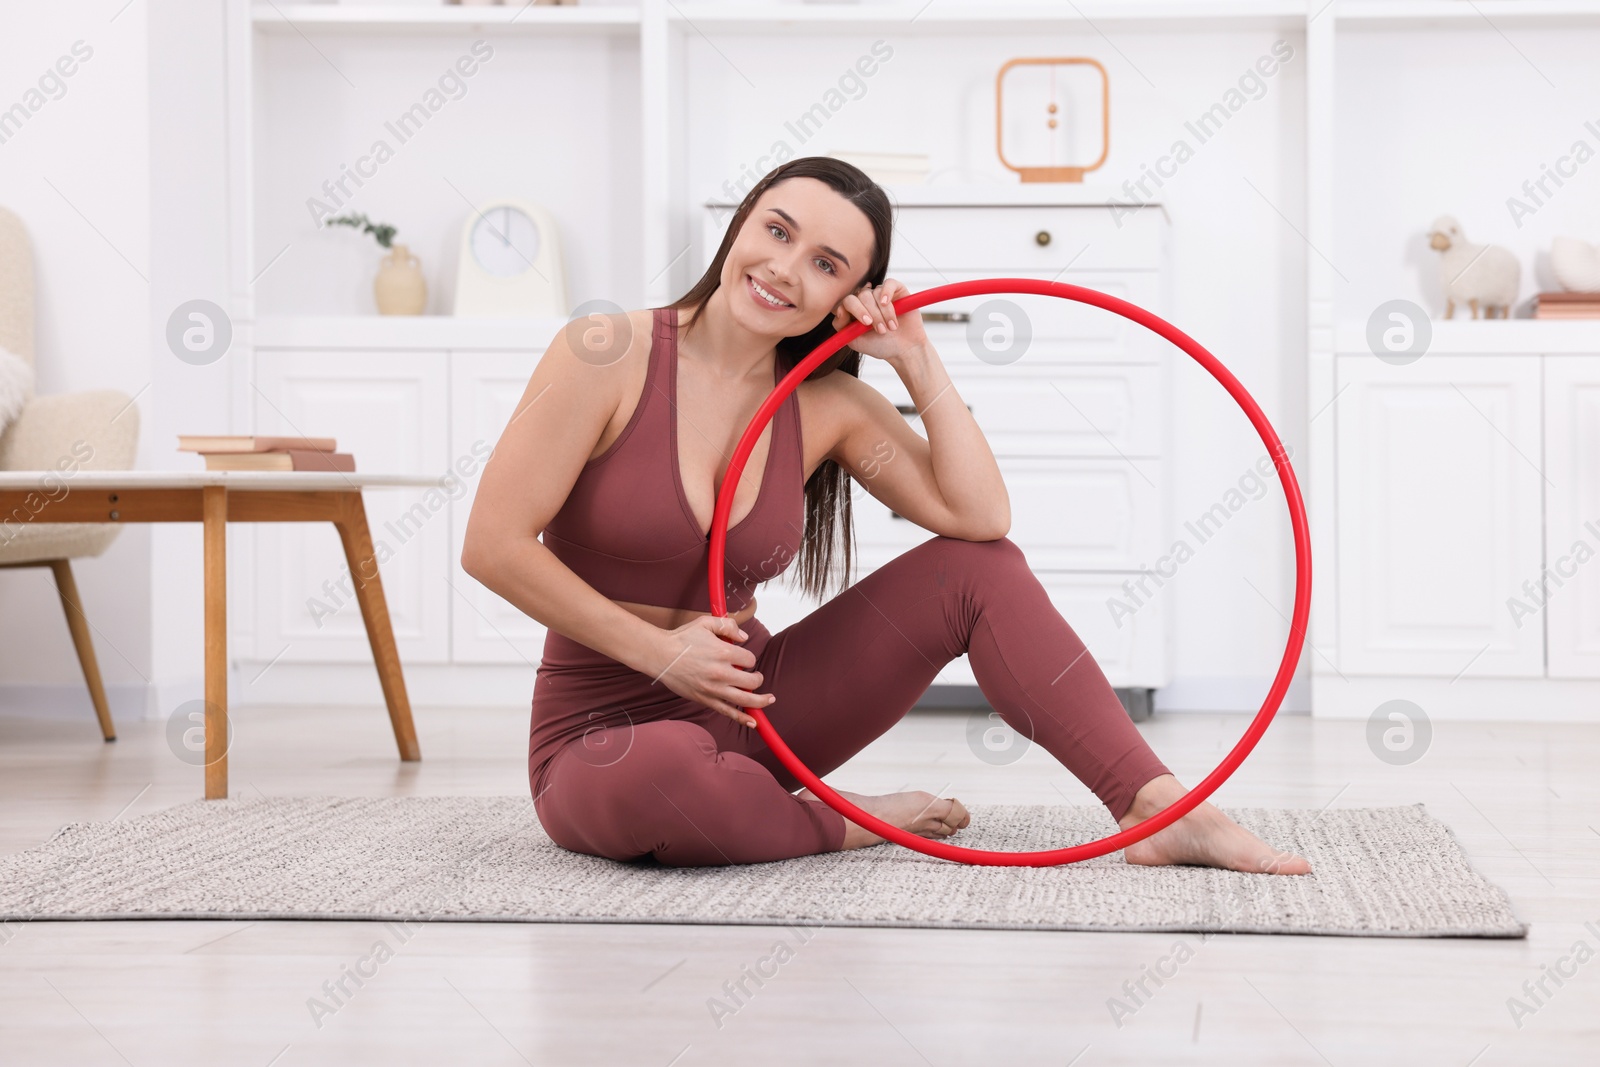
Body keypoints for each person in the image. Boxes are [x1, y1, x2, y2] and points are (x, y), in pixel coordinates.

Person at [461, 156, 1310, 875]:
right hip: (604, 735)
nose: (787, 269)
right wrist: (662, 656)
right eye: (779, 231)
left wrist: (916, 354)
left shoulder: (827, 406)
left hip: (757, 711)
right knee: (669, 770)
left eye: (828, 264)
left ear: (849, 295)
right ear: (740, 227)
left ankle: (1158, 810)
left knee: (979, 571)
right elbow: (492, 546)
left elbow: (978, 518)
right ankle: (856, 818)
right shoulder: (607, 351)